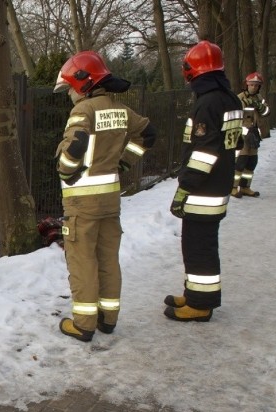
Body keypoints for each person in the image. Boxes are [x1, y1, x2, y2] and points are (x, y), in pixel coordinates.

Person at [52, 51, 156, 342]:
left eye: (71, 87)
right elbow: (149, 134)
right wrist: (124, 162)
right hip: (111, 201)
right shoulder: (120, 109)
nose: (70, 94)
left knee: (82, 260)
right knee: (108, 259)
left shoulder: (82, 112)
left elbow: (76, 145)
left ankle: (84, 324)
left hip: (82, 204)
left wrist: (65, 171)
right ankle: (108, 319)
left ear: (83, 83)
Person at [164, 40, 243, 322]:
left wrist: (185, 186)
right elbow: (234, 140)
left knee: (198, 247)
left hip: (202, 190)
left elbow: (204, 152)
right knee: (201, 244)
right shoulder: (230, 98)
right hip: (218, 185)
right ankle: (195, 294)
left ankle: (200, 305)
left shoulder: (207, 103)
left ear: (191, 71)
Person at [231, 72, 271, 198]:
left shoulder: (260, 98)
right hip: (242, 137)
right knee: (240, 162)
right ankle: (232, 187)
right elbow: (234, 113)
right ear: (247, 85)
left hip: (254, 135)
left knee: (252, 162)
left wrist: (260, 106)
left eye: (256, 85)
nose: (254, 87)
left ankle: (245, 187)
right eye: (251, 85)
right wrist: (244, 103)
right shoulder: (239, 97)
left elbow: (267, 112)